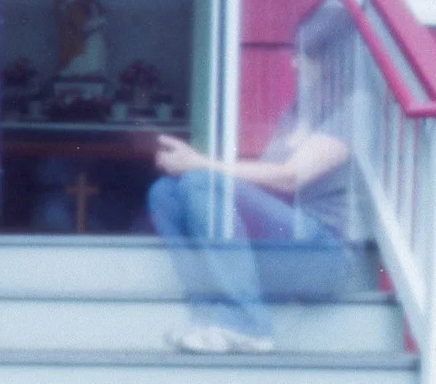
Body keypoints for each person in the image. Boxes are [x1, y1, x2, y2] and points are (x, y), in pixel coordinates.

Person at [145, 47, 355, 353]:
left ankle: (248, 323)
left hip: (326, 256)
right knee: (164, 192)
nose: (294, 63)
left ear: (331, 61)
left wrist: (199, 163)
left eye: (305, 54)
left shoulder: (353, 109)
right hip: (283, 250)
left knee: (200, 179)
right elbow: (267, 186)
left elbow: (288, 176)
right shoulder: (298, 112)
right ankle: (210, 316)